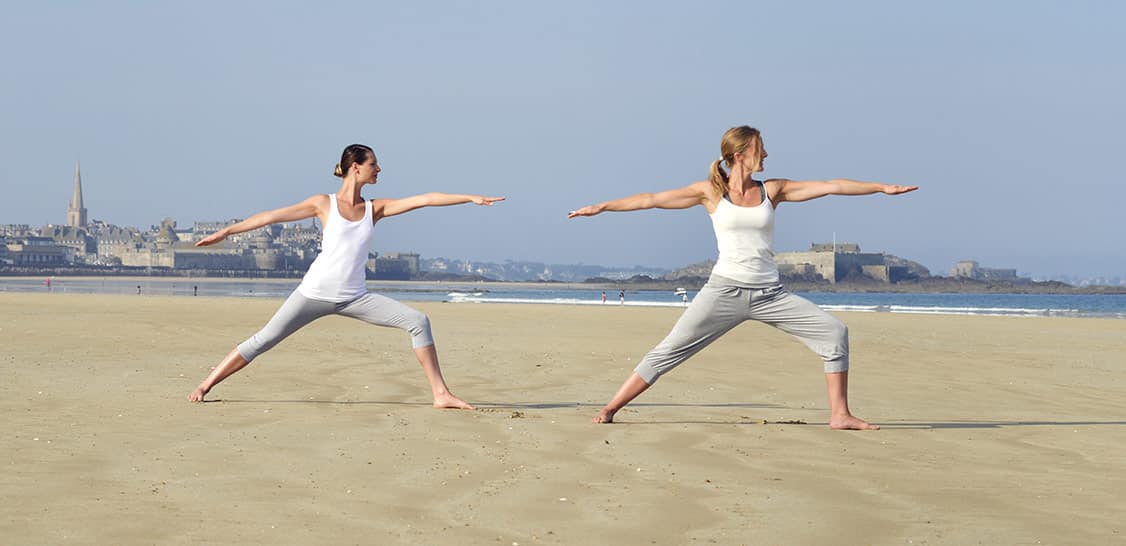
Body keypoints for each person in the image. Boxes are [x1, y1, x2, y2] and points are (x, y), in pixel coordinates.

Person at [568, 126, 917, 428]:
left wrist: (880, 187)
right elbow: (651, 199)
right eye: (759, 148)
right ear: (739, 154)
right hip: (723, 292)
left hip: (770, 294)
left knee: (834, 333)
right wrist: (602, 207)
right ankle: (611, 407)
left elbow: (831, 185)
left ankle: (840, 415)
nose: (766, 153)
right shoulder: (710, 192)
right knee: (669, 350)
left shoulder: (773, 190)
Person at [187, 144, 503, 409]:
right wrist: (226, 232)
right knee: (263, 340)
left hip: (355, 297)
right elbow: (270, 217)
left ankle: (440, 394)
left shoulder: (373, 209)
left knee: (418, 321)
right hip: (312, 294)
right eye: (374, 164)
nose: (379, 169)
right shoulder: (323, 204)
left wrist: (470, 197)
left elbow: (425, 199)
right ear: (355, 167)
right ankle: (206, 384)